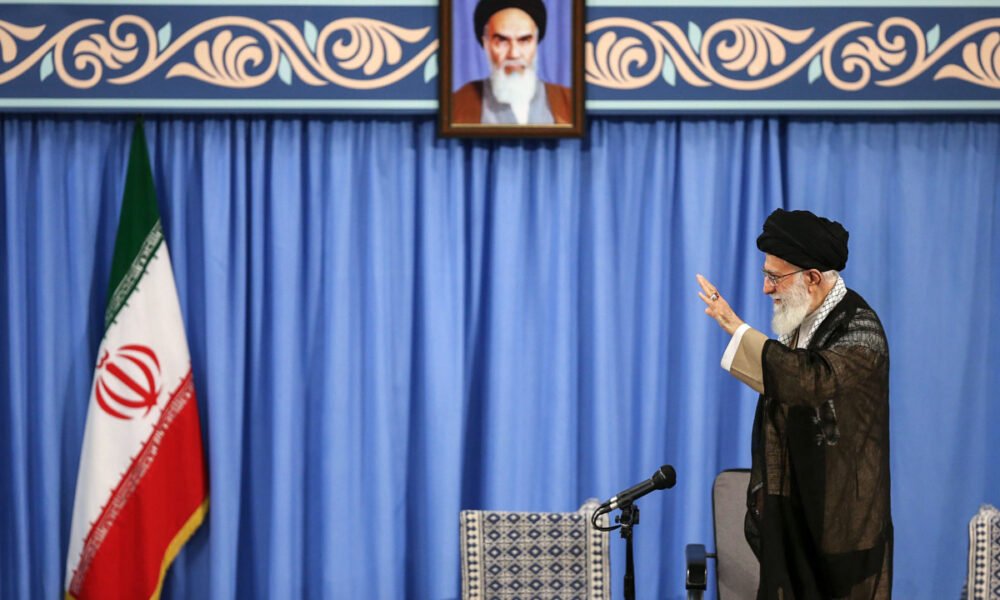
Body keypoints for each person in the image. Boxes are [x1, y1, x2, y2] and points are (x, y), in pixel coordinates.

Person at [697, 209, 893, 599]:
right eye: (765, 275)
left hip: (842, 532)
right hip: (796, 512)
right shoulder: (804, 321)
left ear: (813, 277)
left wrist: (736, 327)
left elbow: (810, 381)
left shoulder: (861, 329)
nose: (766, 289)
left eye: (774, 277)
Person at [452, 0, 572, 125]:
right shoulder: (457, 105)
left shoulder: (569, 102)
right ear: (486, 44)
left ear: (536, 42)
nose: (514, 54)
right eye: (502, 41)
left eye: (524, 40)